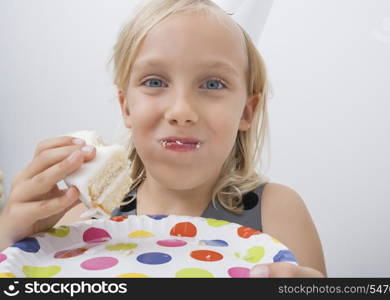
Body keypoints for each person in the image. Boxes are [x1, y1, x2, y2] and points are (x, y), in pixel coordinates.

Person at [0, 0, 326, 277]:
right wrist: (12, 239)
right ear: (125, 106)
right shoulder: (80, 220)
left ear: (246, 111)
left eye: (212, 84)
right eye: (155, 82)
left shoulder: (276, 211)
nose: (181, 111)